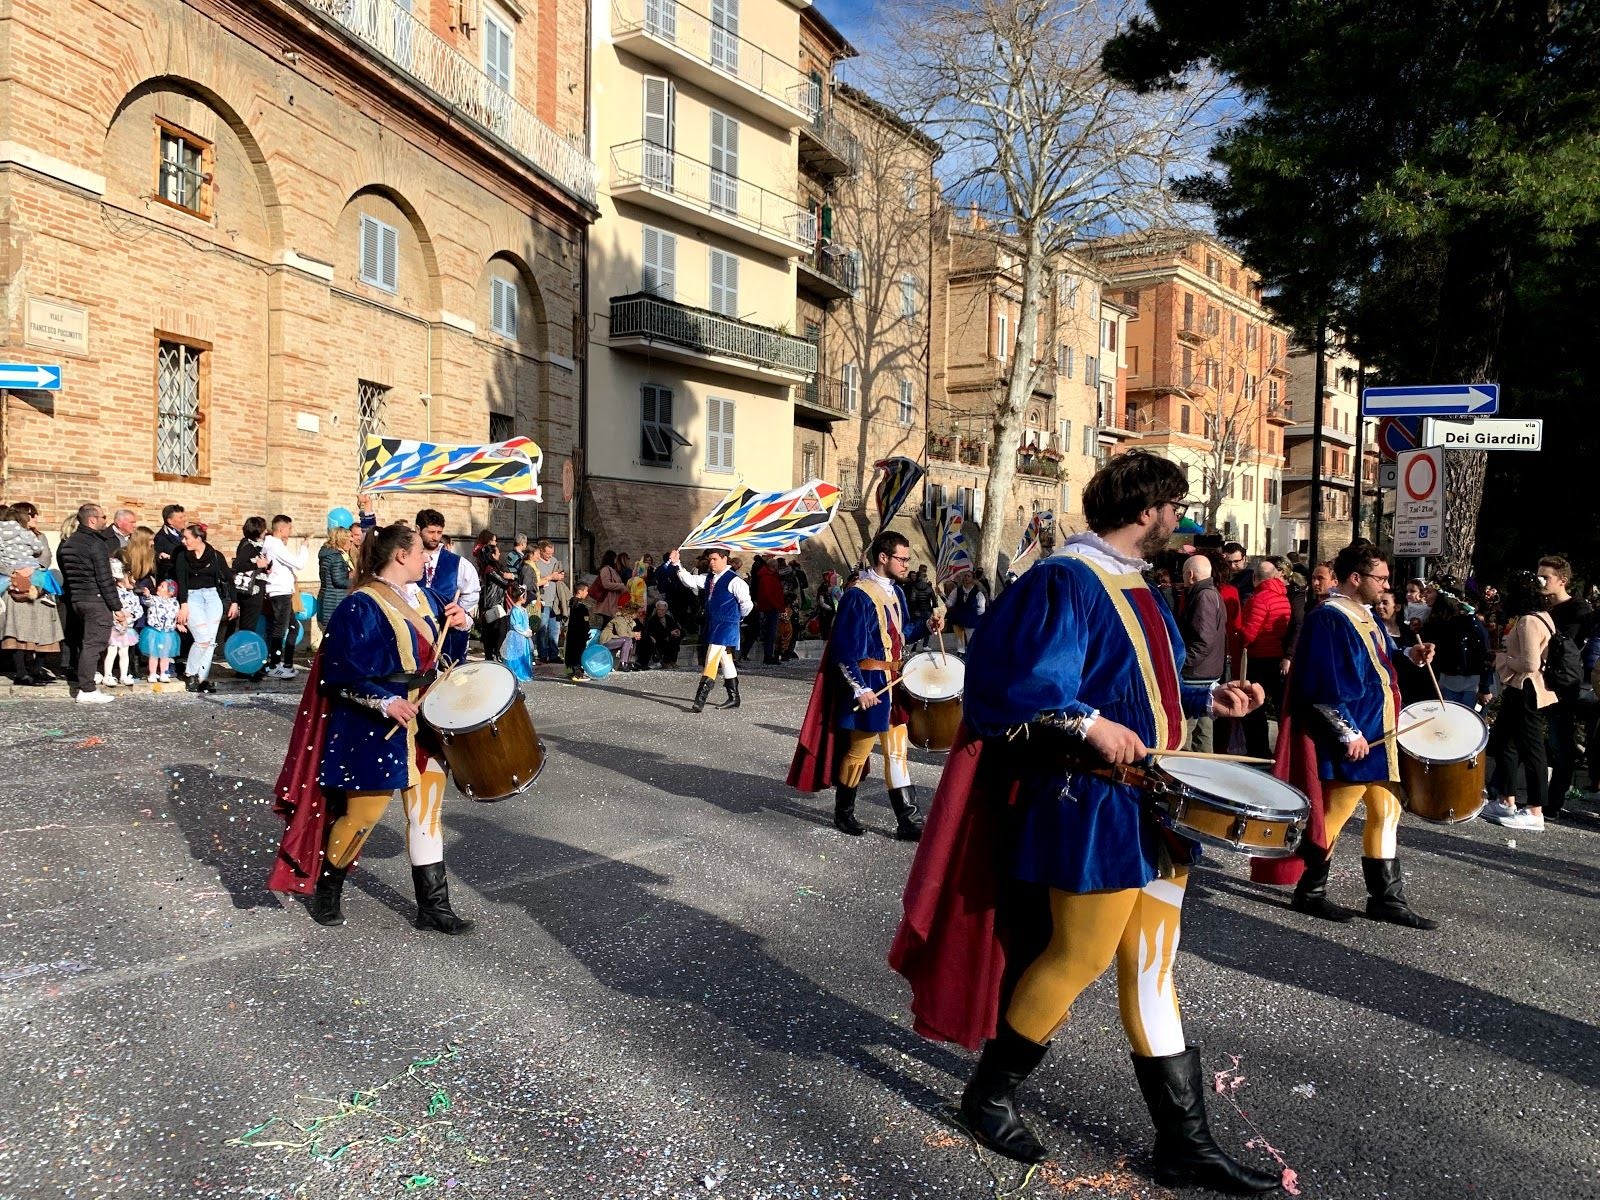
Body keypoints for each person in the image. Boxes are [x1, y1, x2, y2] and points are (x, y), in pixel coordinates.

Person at [886, 452, 1277, 1191]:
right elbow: (1028, 683)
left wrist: (1203, 701)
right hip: (1093, 803)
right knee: (1081, 957)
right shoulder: (1067, 578)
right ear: (1145, 509)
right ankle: (987, 1097)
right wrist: (1090, 724)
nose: (1179, 518)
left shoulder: (1136, 582)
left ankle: (1185, 1143)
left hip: (1153, 802)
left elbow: (1129, 686)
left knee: (1152, 969)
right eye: (1173, 505)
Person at [269, 521, 474, 932]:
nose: (425, 559)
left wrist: (462, 626)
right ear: (401, 556)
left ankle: (433, 908)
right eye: (420, 553)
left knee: (426, 817)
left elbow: (439, 656)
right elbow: (341, 674)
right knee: (362, 817)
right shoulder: (359, 605)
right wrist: (385, 701)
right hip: (373, 728)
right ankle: (328, 888)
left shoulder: (429, 597)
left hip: (425, 723)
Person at [1278, 541, 1438, 929]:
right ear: (1356, 578)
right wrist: (1347, 732)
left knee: (1387, 811)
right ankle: (1309, 890)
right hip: (1357, 738)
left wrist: (1408, 657)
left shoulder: (1364, 614)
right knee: (1334, 814)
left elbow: (1373, 663)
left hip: (1380, 736)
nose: (1386, 585)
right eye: (1380, 578)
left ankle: (1386, 898)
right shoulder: (1328, 618)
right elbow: (1321, 686)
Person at [788, 531, 946, 841]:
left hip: (895, 685)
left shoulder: (897, 592)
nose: (907, 564)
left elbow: (900, 634)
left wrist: (926, 625)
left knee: (897, 753)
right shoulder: (857, 596)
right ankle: (843, 811)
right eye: (902, 558)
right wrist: (860, 688)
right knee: (858, 753)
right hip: (871, 685)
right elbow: (845, 650)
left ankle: (908, 820)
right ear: (883, 558)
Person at [1482, 572, 1557, 831]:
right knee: (1506, 742)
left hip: (1526, 688)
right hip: (1526, 688)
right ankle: (1506, 799)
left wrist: (1502, 660)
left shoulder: (1527, 620)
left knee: (1531, 747)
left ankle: (1535, 811)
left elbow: (1529, 663)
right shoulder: (1544, 617)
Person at [665, 546, 753, 713]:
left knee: (711, 656)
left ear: (724, 559)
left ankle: (700, 699)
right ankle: (734, 697)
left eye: (715, 559)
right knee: (725, 659)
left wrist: (737, 618)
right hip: (714, 625)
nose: (711, 563)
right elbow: (689, 580)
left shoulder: (735, 581)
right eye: (710, 560)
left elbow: (747, 604)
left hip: (727, 625)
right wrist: (677, 564)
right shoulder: (709, 578)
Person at [1534, 556, 1589, 817]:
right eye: (1539, 575)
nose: (1540, 581)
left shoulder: (1578, 610)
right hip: (1536, 679)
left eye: (1546, 577)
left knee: (1560, 743)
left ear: (1562, 580)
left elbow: (1569, 648)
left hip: (1562, 684)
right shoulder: (1542, 605)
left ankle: (1553, 802)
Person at [58, 503, 124, 704]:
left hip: (77, 599)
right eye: (103, 517)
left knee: (86, 643)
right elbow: (104, 579)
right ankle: (86, 689)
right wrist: (117, 607)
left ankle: (85, 684)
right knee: (93, 644)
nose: (106, 520)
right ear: (92, 519)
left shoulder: (69, 543)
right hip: (95, 600)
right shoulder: (96, 544)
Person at [1, 502, 64, 687]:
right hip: (15, 586)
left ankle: (37, 669)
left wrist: (31, 570)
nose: (36, 518)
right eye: (33, 515)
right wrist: (16, 571)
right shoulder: (5, 537)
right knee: (18, 631)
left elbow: (45, 557)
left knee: (44, 629)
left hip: (38, 586)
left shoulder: (39, 536)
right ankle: (21, 672)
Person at [174, 524, 238, 693]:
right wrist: (184, 605)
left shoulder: (215, 556)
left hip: (212, 598)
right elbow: (181, 582)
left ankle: (202, 679)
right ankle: (190, 673)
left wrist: (234, 602)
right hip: (192, 598)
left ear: (198, 539)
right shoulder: (182, 556)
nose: (183, 541)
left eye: (186, 538)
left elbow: (229, 579)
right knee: (202, 639)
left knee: (210, 642)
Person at [412, 507, 479, 667]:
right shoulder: (408, 560)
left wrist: (460, 612)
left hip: (447, 634)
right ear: (418, 529)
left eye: (439, 532)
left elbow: (472, 594)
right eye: (430, 532)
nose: (435, 537)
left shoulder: (459, 564)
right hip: (414, 632)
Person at [1239, 556, 1291, 758]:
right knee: (1278, 706)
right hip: (1276, 656)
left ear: (1255, 577)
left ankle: (1258, 751)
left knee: (1254, 707)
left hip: (1258, 657)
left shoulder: (1259, 599)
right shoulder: (1283, 597)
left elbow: (1249, 633)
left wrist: (1236, 636)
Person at [1177, 554, 1226, 752]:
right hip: (1207, 672)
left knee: (1186, 733)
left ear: (1190, 575)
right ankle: (1202, 775)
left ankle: (1184, 776)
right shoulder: (1212, 593)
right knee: (1203, 732)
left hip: (1196, 675)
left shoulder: (1203, 596)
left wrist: (1181, 664)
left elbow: (1202, 640)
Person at [1422, 584, 1493, 710]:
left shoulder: (1475, 626)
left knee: (1466, 717)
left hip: (1471, 683)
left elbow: (1485, 656)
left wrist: (1485, 687)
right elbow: (1439, 652)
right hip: (1447, 680)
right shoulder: (1442, 623)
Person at [262, 514, 307, 679]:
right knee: (279, 629)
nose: (290, 531)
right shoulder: (275, 545)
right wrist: (304, 547)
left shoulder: (275, 544)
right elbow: (299, 564)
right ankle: (274, 664)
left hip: (284, 591)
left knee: (293, 627)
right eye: (289, 528)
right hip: (279, 592)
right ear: (281, 529)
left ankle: (286, 663)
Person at [230, 517, 271, 678]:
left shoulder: (254, 545)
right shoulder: (248, 546)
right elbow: (238, 565)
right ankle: (244, 667)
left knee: (250, 628)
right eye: (263, 528)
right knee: (248, 629)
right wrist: (257, 565)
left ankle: (248, 666)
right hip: (250, 594)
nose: (266, 531)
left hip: (256, 591)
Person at [473, 531, 512, 662]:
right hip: (493, 605)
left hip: (495, 604)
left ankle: (493, 656)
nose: (500, 553)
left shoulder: (493, 568)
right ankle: (494, 656)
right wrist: (510, 577)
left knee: (494, 632)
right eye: (497, 551)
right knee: (496, 632)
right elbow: (504, 582)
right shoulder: (490, 569)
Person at [102, 564, 143, 687]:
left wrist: (131, 615)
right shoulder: (115, 593)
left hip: (127, 628)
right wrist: (117, 616)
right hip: (115, 627)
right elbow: (111, 607)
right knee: (111, 651)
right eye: (131, 578)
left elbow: (139, 609)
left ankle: (123, 675)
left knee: (124, 652)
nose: (134, 581)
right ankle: (107, 675)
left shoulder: (133, 595)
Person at [530, 539, 568, 664]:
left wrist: (561, 576)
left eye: (552, 553)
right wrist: (551, 577)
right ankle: (543, 654)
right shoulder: (536, 563)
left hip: (555, 601)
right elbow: (534, 582)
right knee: (542, 628)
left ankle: (554, 654)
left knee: (555, 629)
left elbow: (560, 576)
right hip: (542, 601)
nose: (550, 556)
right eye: (547, 553)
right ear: (541, 551)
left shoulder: (555, 561)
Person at [317, 525, 355, 637]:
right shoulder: (336, 558)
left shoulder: (327, 555)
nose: (351, 541)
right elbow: (338, 581)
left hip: (326, 601)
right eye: (349, 539)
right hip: (334, 603)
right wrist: (356, 582)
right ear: (342, 540)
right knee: (336, 642)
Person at [141, 580, 181, 683]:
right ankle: (152, 674)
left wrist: (179, 624)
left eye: (162, 586)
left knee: (165, 655)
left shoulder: (175, 603)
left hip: (168, 632)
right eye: (159, 585)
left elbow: (176, 615)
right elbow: (147, 601)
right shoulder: (154, 599)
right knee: (154, 654)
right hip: (154, 631)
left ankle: (163, 673)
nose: (158, 587)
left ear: (170, 592)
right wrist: (147, 595)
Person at [502, 584, 535, 682]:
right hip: (516, 637)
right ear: (521, 597)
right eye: (525, 596)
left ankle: (525, 672)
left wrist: (528, 630)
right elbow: (515, 624)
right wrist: (524, 632)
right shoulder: (515, 610)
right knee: (517, 656)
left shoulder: (523, 609)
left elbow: (525, 622)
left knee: (525, 654)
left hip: (524, 638)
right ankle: (517, 673)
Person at [946, 570, 986, 649]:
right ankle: (960, 653)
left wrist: (971, 614)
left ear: (973, 579)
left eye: (968, 576)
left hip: (971, 620)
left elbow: (981, 609)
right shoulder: (957, 590)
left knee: (971, 640)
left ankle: (971, 655)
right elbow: (950, 602)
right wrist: (948, 604)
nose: (966, 578)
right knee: (960, 641)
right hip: (959, 619)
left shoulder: (978, 593)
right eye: (965, 576)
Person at [564, 578, 593, 681]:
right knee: (579, 652)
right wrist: (586, 632)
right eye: (586, 591)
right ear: (580, 592)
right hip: (579, 634)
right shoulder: (581, 606)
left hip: (572, 633)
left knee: (572, 651)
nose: (587, 593)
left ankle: (572, 671)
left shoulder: (572, 603)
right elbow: (585, 623)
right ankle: (577, 673)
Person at [640, 600, 683, 668]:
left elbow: (675, 627)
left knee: (675, 640)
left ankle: (673, 661)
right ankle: (666, 662)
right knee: (668, 642)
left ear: (666, 610)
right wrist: (670, 633)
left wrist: (678, 631)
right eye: (659, 610)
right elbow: (654, 634)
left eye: (663, 610)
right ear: (656, 610)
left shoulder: (669, 618)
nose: (660, 612)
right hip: (659, 640)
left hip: (669, 638)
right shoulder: (652, 620)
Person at [602, 603, 643, 671]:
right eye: (638, 612)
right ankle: (622, 663)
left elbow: (627, 633)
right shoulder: (620, 619)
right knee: (628, 640)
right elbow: (622, 634)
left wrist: (635, 635)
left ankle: (628, 663)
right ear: (632, 612)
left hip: (616, 640)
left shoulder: (629, 620)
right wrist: (634, 634)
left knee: (631, 640)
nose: (639, 614)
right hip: (607, 641)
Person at [153, 503, 186, 583]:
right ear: (170, 521)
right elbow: (158, 564)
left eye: (184, 516)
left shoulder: (183, 534)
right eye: (181, 517)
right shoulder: (161, 538)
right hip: (170, 582)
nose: (184, 519)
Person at [593, 550, 627, 622]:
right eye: (615, 558)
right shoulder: (606, 569)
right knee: (603, 628)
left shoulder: (613, 570)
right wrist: (621, 586)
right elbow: (606, 584)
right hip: (606, 605)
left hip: (612, 605)